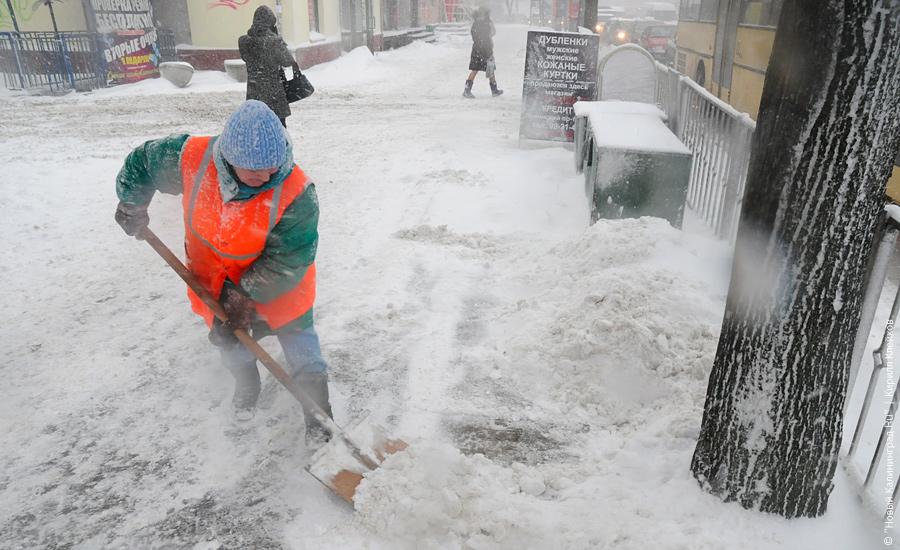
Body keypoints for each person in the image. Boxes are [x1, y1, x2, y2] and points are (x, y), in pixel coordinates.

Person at [113, 100, 333, 445]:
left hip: (279, 286)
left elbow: (289, 259)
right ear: (228, 158)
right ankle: (248, 386)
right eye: (252, 169)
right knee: (231, 343)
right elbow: (141, 162)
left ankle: (321, 420)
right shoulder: (190, 157)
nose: (265, 176)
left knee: (302, 347)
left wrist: (243, 296)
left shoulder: (296, 192)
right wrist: (132, 201)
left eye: (271, 167)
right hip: (213, 282)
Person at [239, 6, 295, 127]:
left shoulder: (244, 41)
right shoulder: (274, 42)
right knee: (279, 132)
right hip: (274, 96)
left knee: (257, 132)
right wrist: (277, 38)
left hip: (254, 96)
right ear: (270, 23)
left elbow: (247, 57)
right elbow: (288, 61)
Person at [464, 7, 503, 99]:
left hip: (477, 49)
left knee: (475, 69)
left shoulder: (475, 23)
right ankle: (494, 90)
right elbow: (493, 33)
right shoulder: (487, 23)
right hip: (486, 49)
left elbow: (474, 35)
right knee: (490, 68)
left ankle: (467, 90)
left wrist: (479, 42)